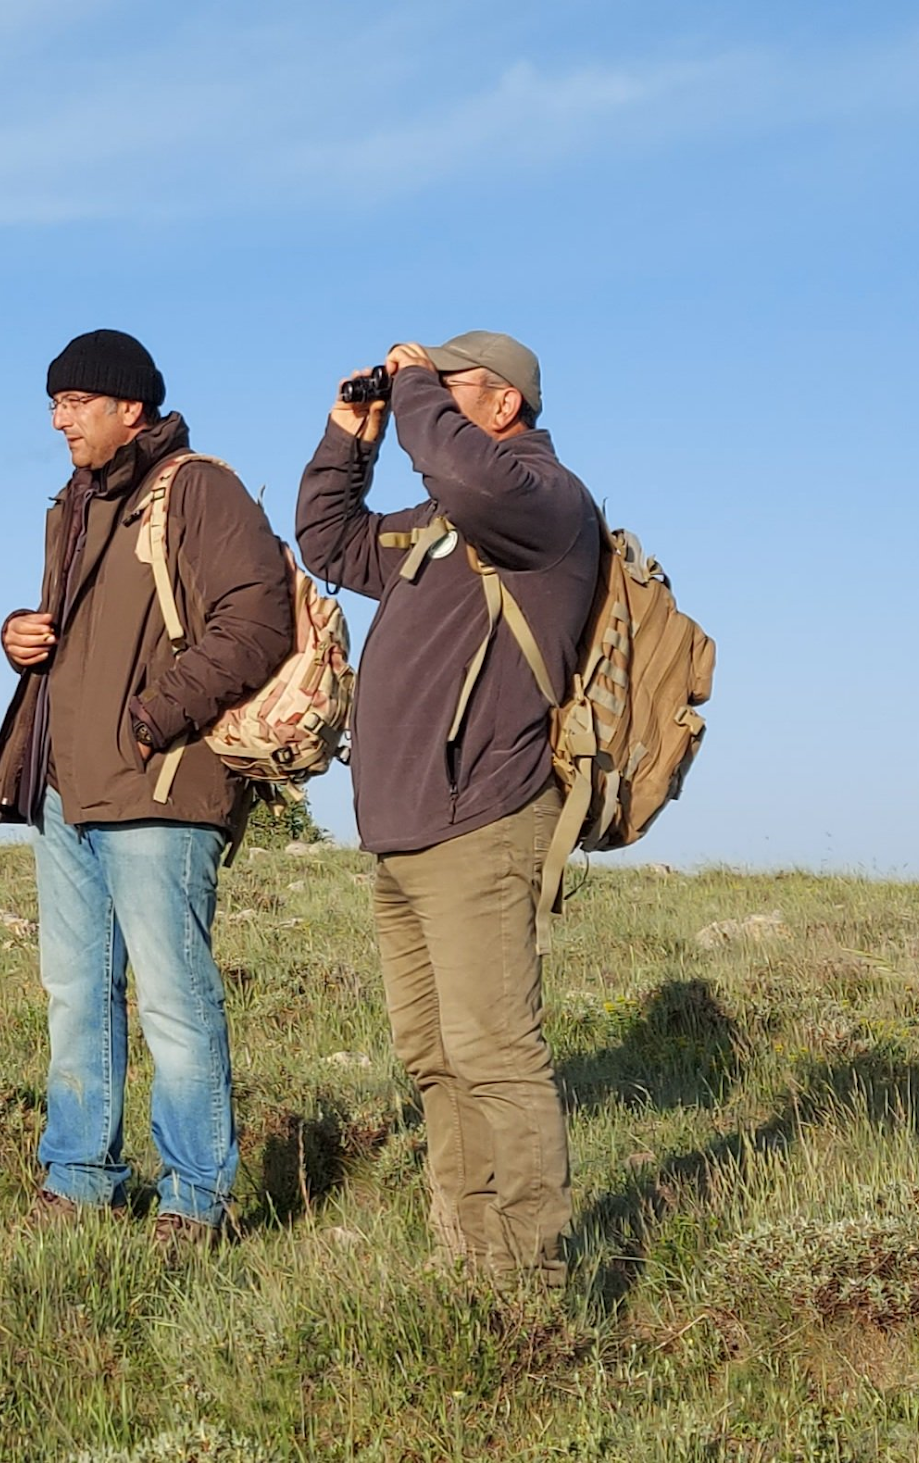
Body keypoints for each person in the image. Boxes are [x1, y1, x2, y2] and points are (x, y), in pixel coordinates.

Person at [294, 332, 600, 1285]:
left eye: (450, 386)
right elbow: (330, 541)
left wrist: (416, 385)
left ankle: (531, 1282)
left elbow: (465, 474)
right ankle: (468, 1260)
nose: (422, 398)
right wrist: (350, 437)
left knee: (494, 1054)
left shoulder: (541, 502)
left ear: (504, 403)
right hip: (404, 831)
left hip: (483, 820)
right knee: (433, 1056)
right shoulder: (441, 523)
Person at [0, 329, 292, 1246]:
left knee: (173, 1000)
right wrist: (19, 634)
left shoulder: (198, 488)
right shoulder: (76, 503)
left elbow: (258, 618)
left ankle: (196, 1199)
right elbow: (90, 635)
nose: (59, 419)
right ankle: (78, 1177)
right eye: (54, 403)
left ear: (131, 407)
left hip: (159, 785)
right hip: (67, 788)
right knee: (77, 994)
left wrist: (153, 717)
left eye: (76, 402)